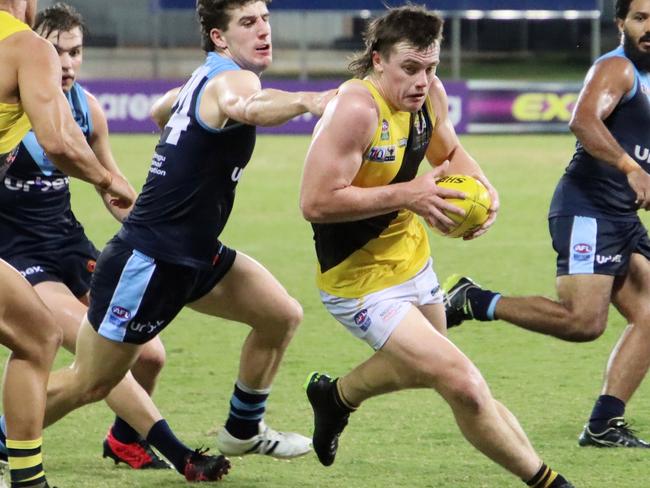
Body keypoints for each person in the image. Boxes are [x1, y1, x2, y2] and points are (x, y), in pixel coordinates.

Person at [39, 0, 335, 478]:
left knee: (280, 315)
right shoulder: (235, 81)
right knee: (89, 383)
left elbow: (163, 108)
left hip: (193, 254)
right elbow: (248, 106)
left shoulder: (205, 76)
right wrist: (307, 101)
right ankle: (7, 433)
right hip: (149, 259)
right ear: (220, 37)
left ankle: (243, 428)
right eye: (247, 23)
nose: (263, 30)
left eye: (265, 19)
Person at [299, 6, 574, 488]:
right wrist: (410, 193)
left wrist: (485, 193)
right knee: (462, 382)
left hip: (412, 260)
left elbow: (447, 154)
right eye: (410, 68)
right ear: (378, 60)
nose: (423, 80)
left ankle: (336, 397)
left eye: (431, 68)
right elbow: (316, 202)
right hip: (358, 282)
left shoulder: (429, 97)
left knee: (428, 369)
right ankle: (551, 483)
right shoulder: (356, 110)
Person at [444, 0, 650, 450]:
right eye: (640, 17)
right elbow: (583, 120)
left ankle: (603, 425)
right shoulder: (618, 69)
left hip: (621, 213)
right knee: (582, 322)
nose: (649, 27)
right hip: (588, 208)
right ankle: (475, 301)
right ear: (621, 23)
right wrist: (628, 167)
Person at [0, 2, 170, 470]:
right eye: (57, 52)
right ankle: (173, 446)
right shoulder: (20, 100)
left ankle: (123, 441)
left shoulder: (87, 108)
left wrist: (158, 233)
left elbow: (115, 189)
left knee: (150, 354)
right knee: (81, 350)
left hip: (68, 246)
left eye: (75, 52)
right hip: (19, 254)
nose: (67, 63)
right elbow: (61, 145)